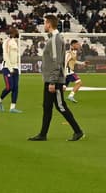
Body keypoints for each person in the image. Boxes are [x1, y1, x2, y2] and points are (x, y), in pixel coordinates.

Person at [28, 14, 84, 142]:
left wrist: (53, 81)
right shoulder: (55, 38)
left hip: (53, 80)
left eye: (45, 23)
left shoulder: (55, 39)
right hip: (51, 79)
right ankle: (42, 134)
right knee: (47, 106)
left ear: (49, 24)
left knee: (60, 106)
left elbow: (56, 61)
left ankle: (78, 131)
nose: (44, 25)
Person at [0, 26, 23, 113]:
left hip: (15, 67)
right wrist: (10, 68)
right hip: (7, 67)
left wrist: (16, 67)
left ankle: (12, 107)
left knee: (15, 88)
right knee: (9, 87)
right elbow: (6, 56)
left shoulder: (15, 42)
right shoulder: (7, 42)